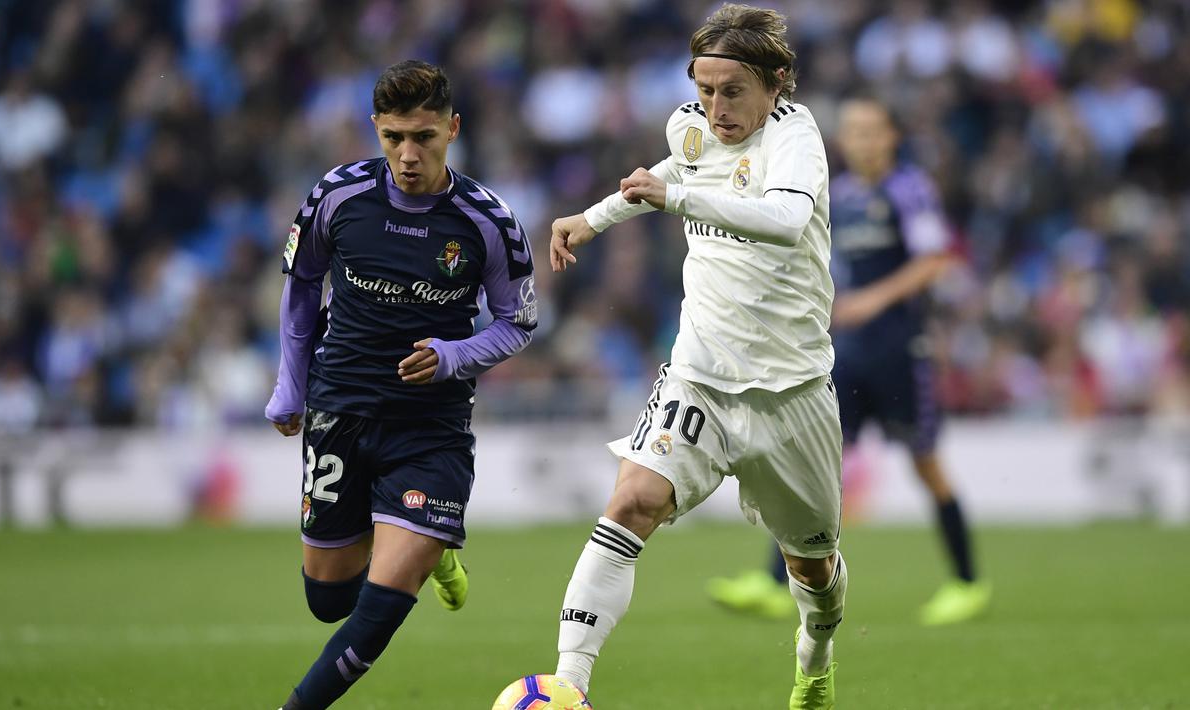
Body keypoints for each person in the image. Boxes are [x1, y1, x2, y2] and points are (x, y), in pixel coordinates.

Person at [548, 6, 844, 708]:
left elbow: (784, 219)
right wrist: (590, 220)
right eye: (704, 88)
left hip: (792, 392)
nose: (716, 107)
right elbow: (663, 171)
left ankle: (815, 657)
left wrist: (678, 198)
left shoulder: (795, 139)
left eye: (732, 91)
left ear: (775, 85)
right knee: (630, 501)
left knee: (813, 569)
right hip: (699, 377)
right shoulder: (694, 131)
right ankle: (568, 684)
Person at [264, 59, 537, 709]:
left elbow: (517, 323)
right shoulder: (336, 196)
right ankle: (428, 551)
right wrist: (290, 384)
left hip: (430, 428)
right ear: (376, 130)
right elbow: (303, 288)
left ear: (453, 129)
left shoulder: (487, 221)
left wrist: (453, 356)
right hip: (341, 407)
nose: (408, 155)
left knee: (379, 611)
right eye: (394, 139)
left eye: (424, 137)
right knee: (328, 598)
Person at [706, 96, 991, 627]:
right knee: (818, 468)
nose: (860, 140)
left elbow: (935, 260)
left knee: (926, 464)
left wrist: (871, 301)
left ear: (891, 138)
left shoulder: (909, 191)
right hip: (848, 353)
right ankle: (773, 584)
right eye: (853, 132)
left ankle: (967, 583)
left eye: (871, 131)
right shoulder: (840, 193)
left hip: (901, 350)